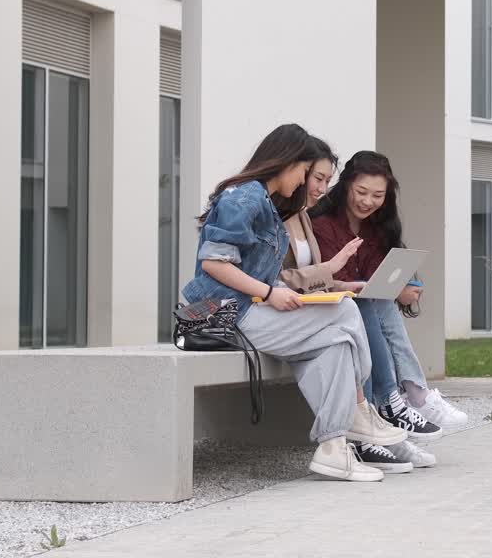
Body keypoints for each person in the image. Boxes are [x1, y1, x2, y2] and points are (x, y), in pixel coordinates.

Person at [180, 125, 406, 483]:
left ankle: (334, 449)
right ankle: (361, 411)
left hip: (249, 310)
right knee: (345, 312)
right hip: (226, 314)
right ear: (286, 162)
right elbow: (214, 263)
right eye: (305, 172)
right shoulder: (244, 198)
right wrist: (270, 294)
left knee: (334, 343)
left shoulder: (267, 206)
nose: (304, 182)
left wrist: (290, 294)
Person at [277, 137, 436, 472]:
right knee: (360, 305)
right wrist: (345, 283)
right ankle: (393, 407)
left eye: (324, 180)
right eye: (316, 178)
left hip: (318, 302)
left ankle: (392, 410)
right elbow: (282, 277)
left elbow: (335, 275)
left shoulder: (303, 217)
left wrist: (392, 286)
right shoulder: (305, 220)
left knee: (367, 302)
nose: (320, 187)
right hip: (287, 308)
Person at [311, 150, 471, 435]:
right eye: (361, 191)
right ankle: (409, 396)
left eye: (377, 195)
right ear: (346, 184)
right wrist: (391, 292)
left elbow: (375, 277)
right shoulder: (323, 225)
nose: (367, 201)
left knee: (377, 303)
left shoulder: (376, 227)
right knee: (373, 303)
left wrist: (401, 286)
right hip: (329, 306)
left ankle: (402, 402)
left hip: (364, 309)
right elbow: (340, 281)